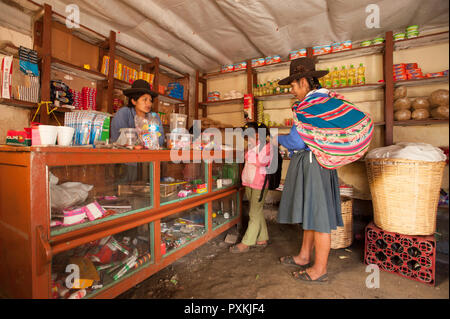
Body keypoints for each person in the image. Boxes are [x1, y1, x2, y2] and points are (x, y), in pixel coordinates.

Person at [276, 57, 374, 283]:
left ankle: (319, 269)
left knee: (318, 218)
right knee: (312, 214)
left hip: (314, 166)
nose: (292, 91)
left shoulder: (308, 106)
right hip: (322, 163)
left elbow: (297, 142)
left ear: (302, 82)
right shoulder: (328, 101)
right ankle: (303, 256)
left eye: (292, 86)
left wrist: (273, 137)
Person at [230, 122, 273, 253]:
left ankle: (246, 242)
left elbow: (261, 161)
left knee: (253, 213)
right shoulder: (251, 147)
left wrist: (247, 154)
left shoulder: (267, 146)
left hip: (260, 185)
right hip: (249, 183)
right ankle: (262, 238)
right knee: (257, 210)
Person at [110, 79, 164, 146]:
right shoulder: (123, 113)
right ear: (134, 101)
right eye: (145, 99)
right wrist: (147, 136)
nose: (149, 103)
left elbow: (160, 141)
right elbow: (118, 140)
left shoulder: (154, 116)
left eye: (150, 100)